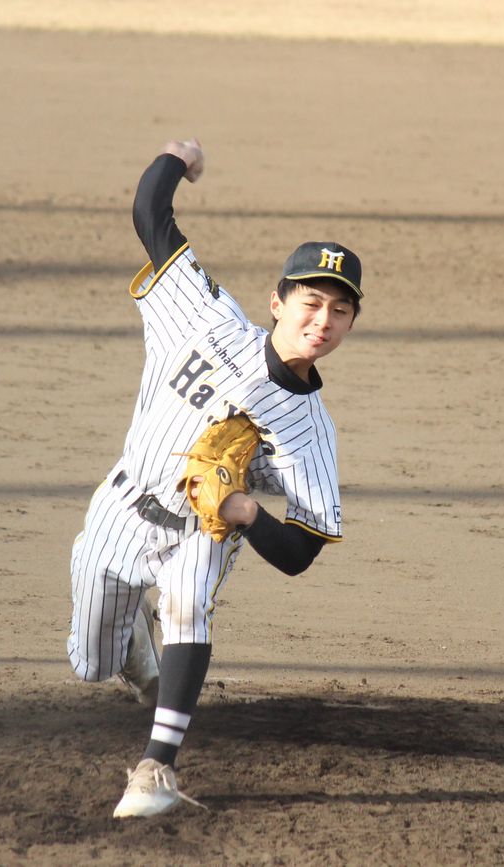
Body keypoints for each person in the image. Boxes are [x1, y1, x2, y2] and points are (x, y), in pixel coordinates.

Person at [66, 137, 364, 818]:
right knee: (92, 662)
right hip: (122, 507)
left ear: (351, 322)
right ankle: (135, 654)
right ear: (277, 301)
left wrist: (245, 511)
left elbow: (302, 551)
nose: (322, 321)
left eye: (339, 310)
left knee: (188, 605)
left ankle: (156, 768)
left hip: (203, 531)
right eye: (311, 302)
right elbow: (150, 213)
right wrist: (180, 157)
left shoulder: (310, 431)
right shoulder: (206, 317)